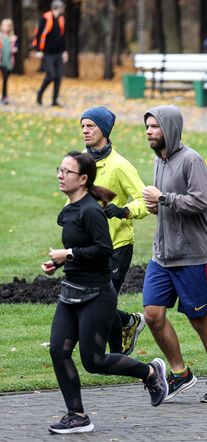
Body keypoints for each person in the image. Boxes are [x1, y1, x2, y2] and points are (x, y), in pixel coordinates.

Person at [43, 151, 167, 434]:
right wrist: (58, 262)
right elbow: (78, 251)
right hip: (70, 292)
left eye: (67, 172)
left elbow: (103, 251)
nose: (61, 176)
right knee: (58, 351)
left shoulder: (91, 210)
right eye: (59, 170)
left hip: (97, 295)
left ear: (83, 179)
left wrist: (70, 254)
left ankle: (150, 372)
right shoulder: (70, 210)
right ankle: (77, 416)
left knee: (94, 361)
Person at [141, 105, 207, 403]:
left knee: (199, 321)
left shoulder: (191, 160)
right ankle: (180, 372)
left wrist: (164, 199)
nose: (149, 132)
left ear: (169, 129)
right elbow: (166, 200)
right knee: (153, 315)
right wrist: (156, 205)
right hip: (162, 256)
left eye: (154, 127)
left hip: (192, 256)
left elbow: (200, 202)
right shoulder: (159, 160)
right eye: (147, 127)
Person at [79, 107, 148, 355]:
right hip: (90, 248)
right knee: (93, 302)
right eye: (83, 126)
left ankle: (117, 355)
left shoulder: (120, 166)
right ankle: (130, 324)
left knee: (101, 303)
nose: (85, 131)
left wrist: (124, 211)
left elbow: (145, 200)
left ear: (104, 130)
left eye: (91, 126)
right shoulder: (81, 163)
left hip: (117, 246)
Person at [32, 0, 67, 106]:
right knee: (51, 75)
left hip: (58, 52)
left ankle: (54, 100)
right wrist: (38, 50)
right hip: (47, 52)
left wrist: (64, 51)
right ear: (59, 8)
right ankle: (40, 93)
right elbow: (38, 34)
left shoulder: (61, 19)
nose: (63, 10)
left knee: (58, 76)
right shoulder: (45, 18)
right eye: (62, 8)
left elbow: (62, 37)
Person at [0, 18, 18, 105]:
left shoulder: (13, 38)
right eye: (3, 25)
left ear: (10, 27)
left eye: (6, 25)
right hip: (1, 61)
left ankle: (4, 96)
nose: (4, 27)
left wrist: (14, 49)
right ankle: (4, 96)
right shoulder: (0, 37)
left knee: (6, 79)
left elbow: (16, 47)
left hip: (9, 62)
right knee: (4, 78)